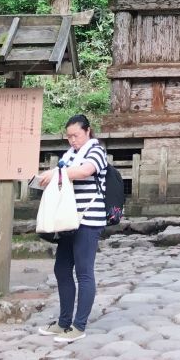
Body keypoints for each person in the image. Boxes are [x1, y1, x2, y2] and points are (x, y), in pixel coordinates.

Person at [36, 114, 109, 342]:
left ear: (88, 131)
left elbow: (84, 171)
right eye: (68, 137)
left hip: (88, 220)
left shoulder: (96, 151)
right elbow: (64, 176)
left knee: (84, 272)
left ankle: (79, 325)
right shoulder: (69, 156)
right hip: (68, 220)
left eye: (76, 135)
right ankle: (63, 322)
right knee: (62, 269)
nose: (72, 140)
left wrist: (56, 174)